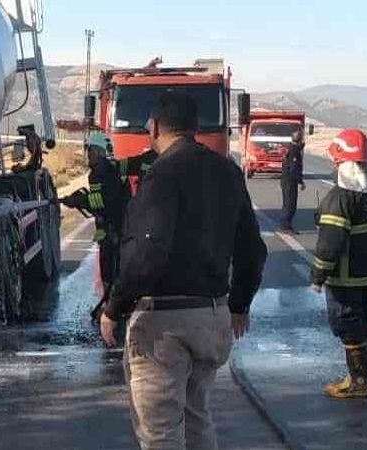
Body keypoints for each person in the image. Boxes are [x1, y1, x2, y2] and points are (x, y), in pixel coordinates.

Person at [100, 92, 267, 450]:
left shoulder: (161, 174)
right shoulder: (227, 172)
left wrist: (114, 307)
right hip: (212, 317)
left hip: (165, 325)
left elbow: (147, 251)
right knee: (196, 419)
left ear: (156, 126)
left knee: (160, 432)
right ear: (194, 128)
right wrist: (238, 304)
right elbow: (252, 248)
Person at [311, 128, 367, 399]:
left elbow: (329, 244)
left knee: (348, 325)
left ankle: (359, 382)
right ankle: (357, 377)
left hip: (346, 277)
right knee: (362, 323)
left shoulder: (340, 198)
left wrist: (318, 274)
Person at [60, 130, 128, 325]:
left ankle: (111, 309)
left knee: (110, 270)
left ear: (97, 152)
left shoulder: (100, 173)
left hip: (112, 229)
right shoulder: (113, 168)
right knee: (116, 269)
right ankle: (115, 306)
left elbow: (102, 201)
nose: (88, 155)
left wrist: (79, 200)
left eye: (90, 151)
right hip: (118, 227)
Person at [279, 130, 306, 233]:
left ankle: (286, 225)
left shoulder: (291, 148)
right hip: (290, 181)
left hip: (287, 181)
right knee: (290, 204)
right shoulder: (294, 151)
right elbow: (293, 169)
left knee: (288, 203)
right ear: (299, 140)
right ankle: (285, 226)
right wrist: (301, 181)